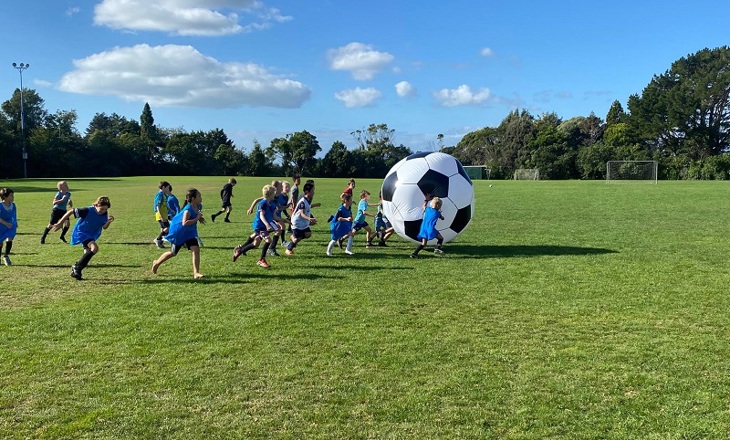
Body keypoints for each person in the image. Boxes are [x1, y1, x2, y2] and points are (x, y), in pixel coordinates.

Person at [53, 196, 114, 280]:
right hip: (82, 233)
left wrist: (108, 222)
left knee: (87, 254)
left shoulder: (104, 214)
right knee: (94, 248)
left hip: (91, 235)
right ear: (96, 205)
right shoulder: (87, 210)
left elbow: (104, 227)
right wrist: (60, 223)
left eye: (105, 209)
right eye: (102, 209)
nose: (103, 211)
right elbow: (71, 211)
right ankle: (77, 267)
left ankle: (77, 271)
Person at [152, 188, 206, 279]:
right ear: (193, 198)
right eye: (199, 196)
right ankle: (156, 262)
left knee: (196, 250)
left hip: (189, 233)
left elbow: (196, 214)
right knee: (173, 253)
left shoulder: (198, 206)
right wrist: (197, 218)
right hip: (179, 232)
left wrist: (200, 218)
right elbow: (184, 223)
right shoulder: (188, 209)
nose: (201, 198)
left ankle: (196, 273)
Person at [233, 184, 282, 269]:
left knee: (256, 244)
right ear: (270, 194)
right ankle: (261, 260)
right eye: (274, 192)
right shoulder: (263, 203)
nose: (275, 194)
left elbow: (273, 216)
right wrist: (267, 224)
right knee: (268, 240)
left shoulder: (269, 202)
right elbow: (261, 216)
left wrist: (286, 220)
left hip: (264, 225)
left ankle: (240, 250)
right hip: (260, 226)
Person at [285, 182, 317, 255]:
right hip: (297, 222)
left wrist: (315, 205)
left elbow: (307, 208)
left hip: (303, 222)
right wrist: (309, 219)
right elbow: (301, 213)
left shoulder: (307, 199)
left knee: (308, 234)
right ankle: (288, 249)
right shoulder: (302, 201)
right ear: (307, 192)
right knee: (297, 239)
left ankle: (293, 237)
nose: (313, 192)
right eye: (312, 191)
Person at [0, 188, 18, 266]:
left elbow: (14, 214)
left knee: (9, 238)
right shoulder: (0, 206)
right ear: (5, 196)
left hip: (10, 226)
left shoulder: (13, 205)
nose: (13, 197)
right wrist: (5, 223)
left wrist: (15, 222)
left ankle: (6, 256)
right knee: (0, 243)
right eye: (11, 196)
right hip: (1, 226)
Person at [153, 181, 171, 248]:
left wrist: (170, 210)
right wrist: (161, 216)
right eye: (167, 188)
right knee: (168, 228)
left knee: (163, 228)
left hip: (164, 214)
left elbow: (165, 205)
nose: (168, 190)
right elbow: (158, 206)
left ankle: (160, 242)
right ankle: (158, 239)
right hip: (161, 215)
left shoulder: (164, 195)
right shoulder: (160, 195)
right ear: (163, 187)